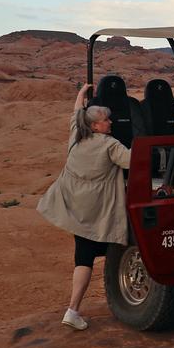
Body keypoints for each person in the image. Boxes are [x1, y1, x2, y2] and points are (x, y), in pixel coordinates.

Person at [37, 83, 132, 331]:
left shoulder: (76, 135)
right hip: (96, 212)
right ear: (94, 126)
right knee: (103, 249)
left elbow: (76, 112)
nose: (110, 123)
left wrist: (82, 93)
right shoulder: (110, 145)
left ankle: (73, 310)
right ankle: (73, 309)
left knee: (84, 256)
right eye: (105, 120)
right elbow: (134, 161)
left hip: (74, 207)